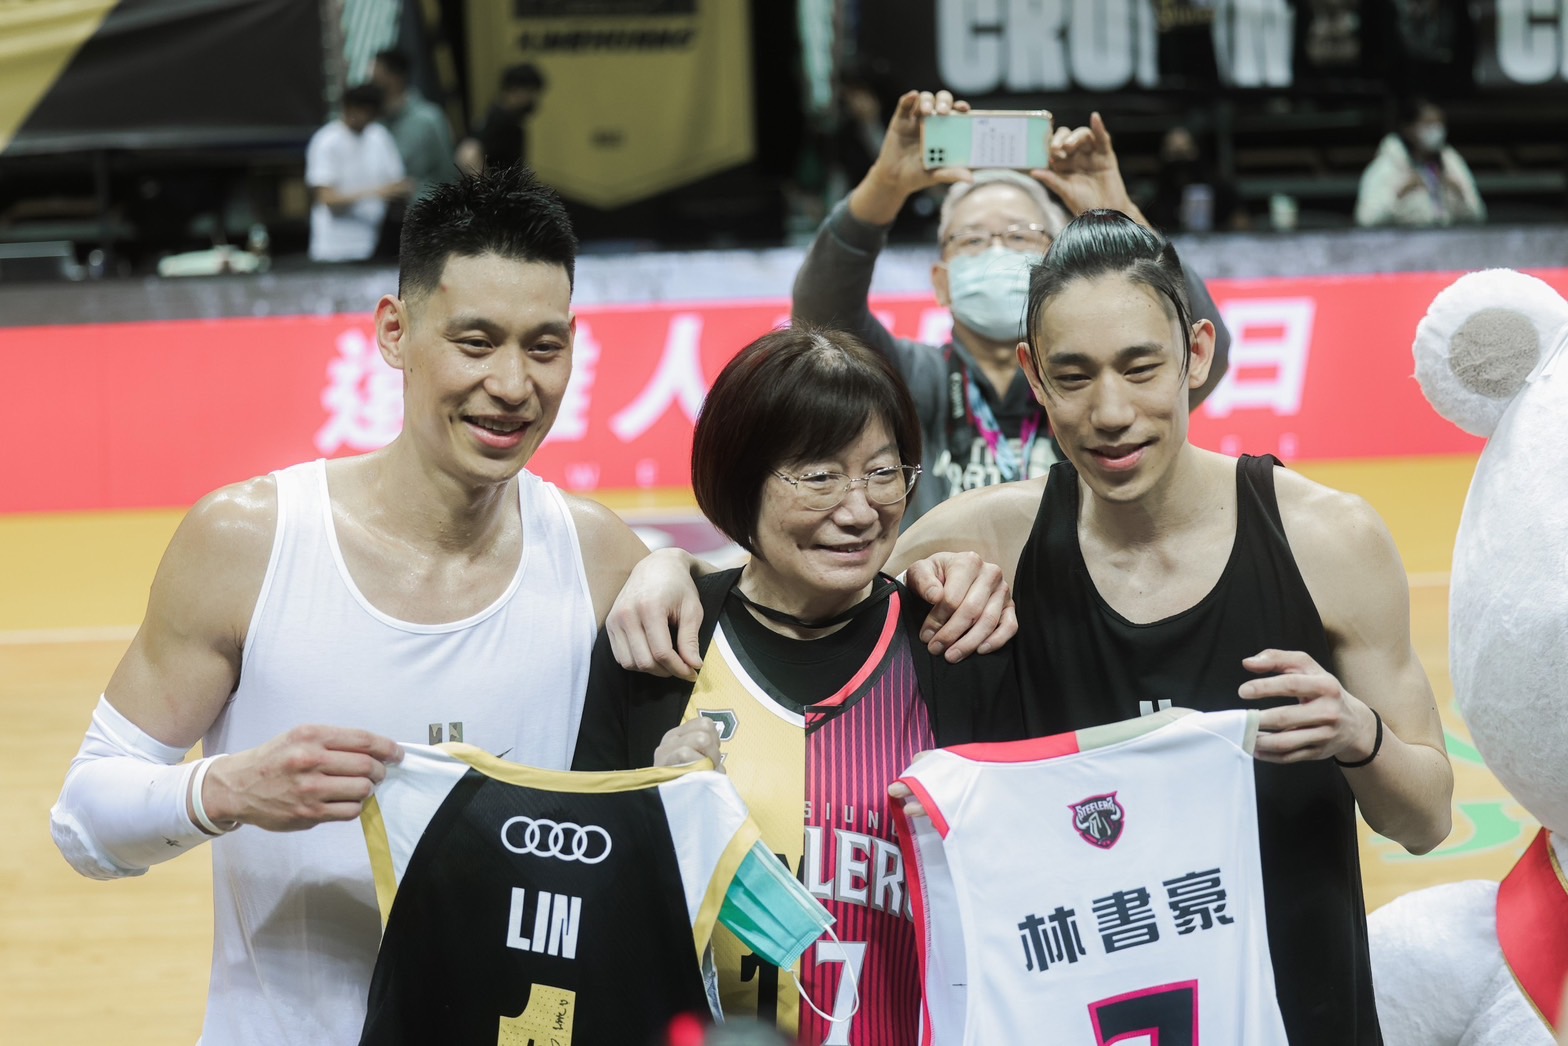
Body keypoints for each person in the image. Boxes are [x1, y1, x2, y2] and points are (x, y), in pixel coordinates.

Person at [48, 165, 657, 1045]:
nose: (513, 384)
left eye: (544, 347)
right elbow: (84, 819)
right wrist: (227, 788)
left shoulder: (603, 560)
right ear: (394, 332)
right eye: (476, 342)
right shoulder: (249, 541)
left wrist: (677, 568)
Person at [889, 209, 1454, 1043]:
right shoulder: (979, 542)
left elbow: (1427, 820)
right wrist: (681, 580)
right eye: (1073, 376)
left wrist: (1356, 733)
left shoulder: (1327, 539)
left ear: (1196, 353)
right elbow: (785, 607)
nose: (1111, 412)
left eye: (1140, 367)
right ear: (1034, 375)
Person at [573, 325, 1018, 1043]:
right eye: (819, 477)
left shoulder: (954, 643)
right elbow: (584, 908)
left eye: (883, 472)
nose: (859, 509)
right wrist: (652, 819)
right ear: (740, 481)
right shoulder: (662, 643)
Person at [792, 88, 1232, 524]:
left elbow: (1192, 343)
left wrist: (1117, 210)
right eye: (972, 240)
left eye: (1020, 236)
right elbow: (821, 318)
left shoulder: (1095, 383)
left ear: (1054, 268)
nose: (996, 253)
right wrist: (885, 186)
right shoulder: (906, 379)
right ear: (942, 282)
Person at [305, 83, 410, 262]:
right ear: (348, 108)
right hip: (333, 249)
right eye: (363, 111)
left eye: (371, 113)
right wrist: (377, 192)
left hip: (374, 243)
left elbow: (398, 183)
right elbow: (326, 197)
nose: (366, 118)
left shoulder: (380, 136)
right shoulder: (326, 141)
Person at [1355, 97, 1485, 228]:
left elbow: (1479, 214)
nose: (1436, 130)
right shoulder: (1386, 166)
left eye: (1439, 124)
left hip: (1445, 237)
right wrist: (1399, 196)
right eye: (1428, 124)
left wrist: (1459, 195)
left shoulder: (1451, 162)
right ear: (1409, 129)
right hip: (1401, 238)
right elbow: (1366, 219)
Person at [370, 48, 456, 201]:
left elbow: (447, 172)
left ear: (394, 77)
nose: (371, 82)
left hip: (420, 206)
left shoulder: (429, 119)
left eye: (376, 76)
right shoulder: (372, 122)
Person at [456, 62, 546, 177]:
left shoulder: (497, 113)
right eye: (530, 92)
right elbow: (468, 154)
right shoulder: (503, 121)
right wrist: (486, 185)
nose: (533, 99)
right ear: (515, 89)